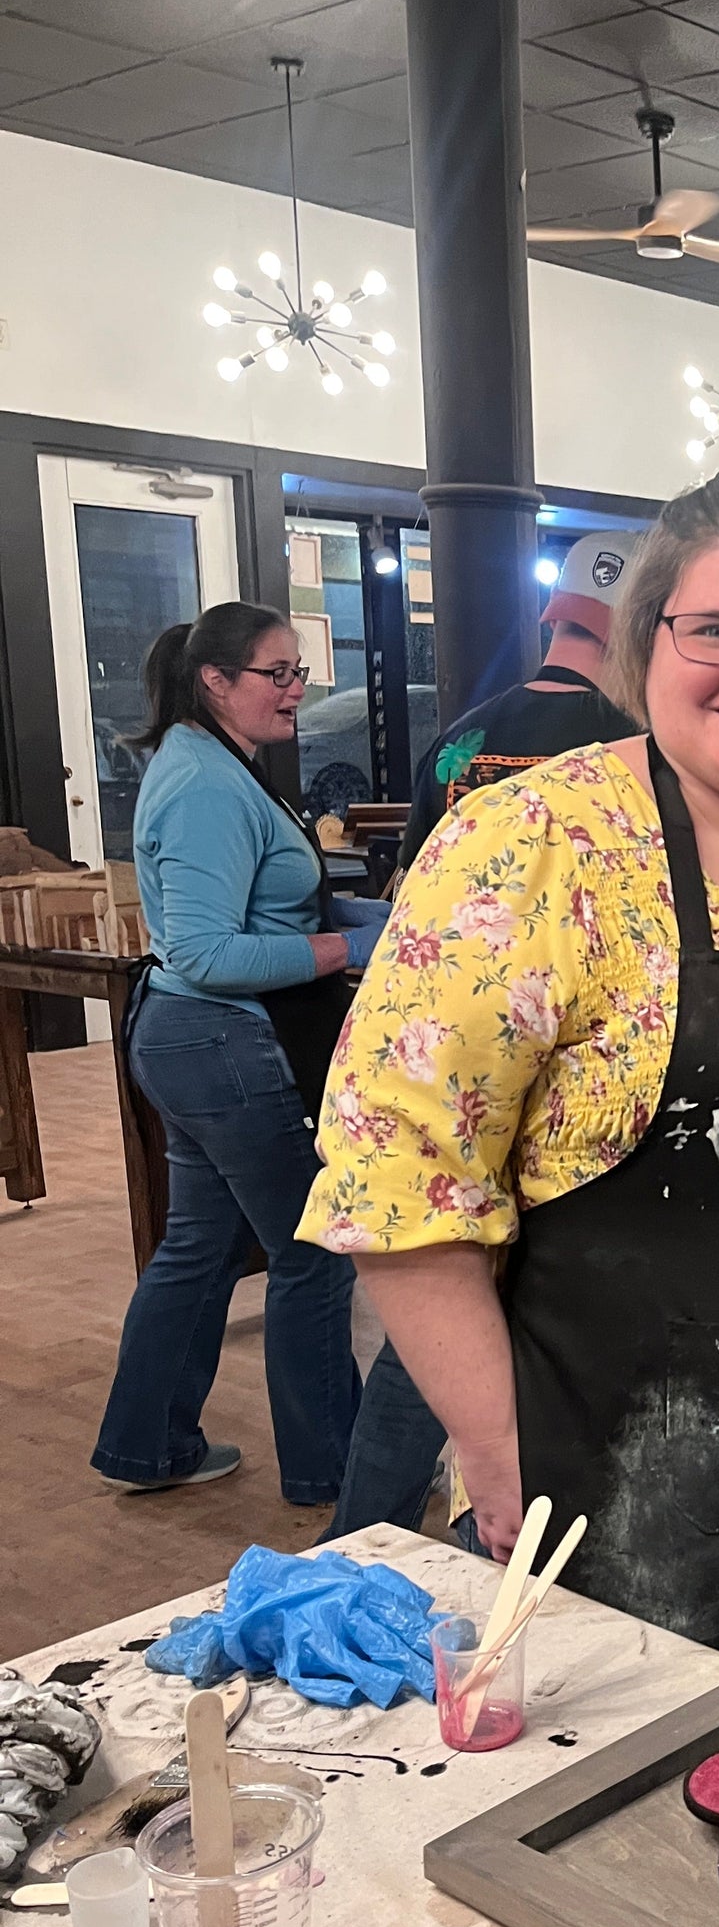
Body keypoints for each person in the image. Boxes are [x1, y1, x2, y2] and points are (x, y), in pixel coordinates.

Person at [298, 466, 719, 1690]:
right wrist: (498, 1459)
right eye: (711, 628)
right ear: (644, 643)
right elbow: (398, 1191)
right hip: (609, 1512)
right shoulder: (529, 847)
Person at [323, 531, 644, 1543]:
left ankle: (358, 1536)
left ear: (553, 621)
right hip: (572, 1085)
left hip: (443, 1059)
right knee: (489, 1309)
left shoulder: (458, 741)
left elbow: (416, 902)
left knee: (428, 1307)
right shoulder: (629, 747)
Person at [91, 604, 385, 1501]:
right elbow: (205, 953)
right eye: (279, 673)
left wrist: (358, 921)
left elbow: (258, 911)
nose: (299, 690)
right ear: (216, 681)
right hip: (218, 1043)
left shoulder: (219, 765)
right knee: (310, 1252)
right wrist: (350, 951)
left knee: (201, 1245)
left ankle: (148, 1445)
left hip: (201, 1044)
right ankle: (332, 1473)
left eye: (300, 671)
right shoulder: (208, 784)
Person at [395, 529, 642, 870]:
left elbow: (412, 890)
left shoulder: (455, 744)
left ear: (554, 613)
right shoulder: (639, 752)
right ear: (643, 634)